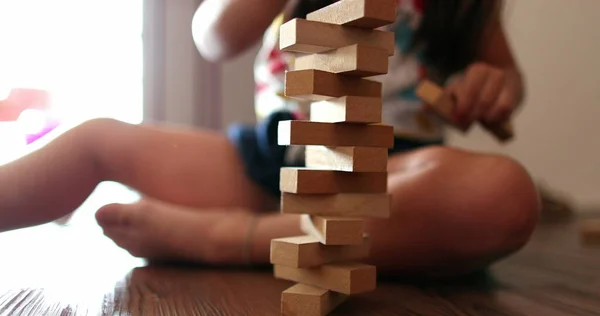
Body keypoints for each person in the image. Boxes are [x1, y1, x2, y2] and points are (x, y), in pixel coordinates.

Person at [0, 0, 540, 278]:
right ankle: (285, 234)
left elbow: (508, 79)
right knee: (95, 139)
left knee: (505, 195)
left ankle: (231, 239)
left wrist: (496, 87)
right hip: (275, 160)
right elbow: (212, 35)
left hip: (399, 184)